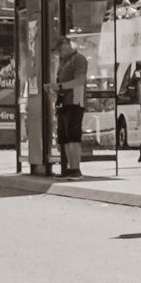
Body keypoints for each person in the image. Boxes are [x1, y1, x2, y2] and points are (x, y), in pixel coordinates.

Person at [54, 32, 89, 175]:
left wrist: (60, 86)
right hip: (63, 102)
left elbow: (80, 80)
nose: (59, 53)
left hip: (75, 101)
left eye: (60, 50)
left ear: (67, 45)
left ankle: (75, 168)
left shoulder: (78, 59)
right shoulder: (64, 61)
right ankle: (70, 167)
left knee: (73, 136)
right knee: (65, 137)